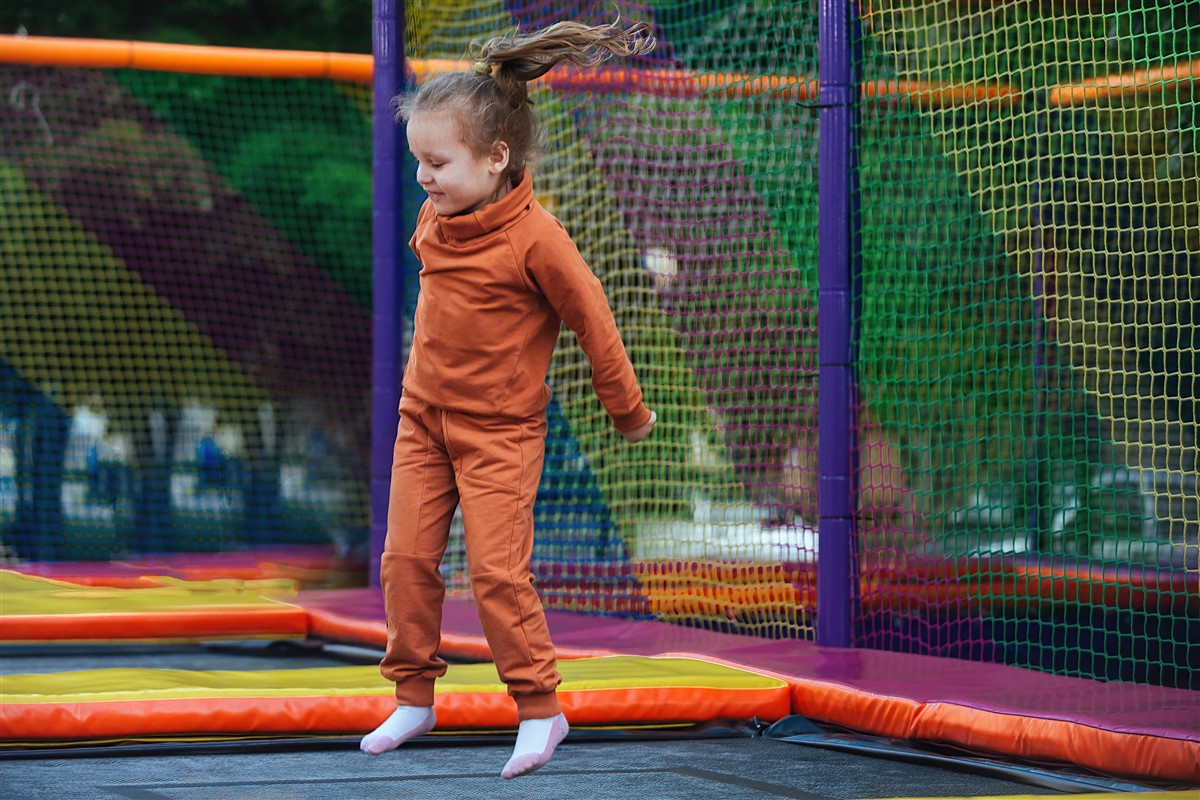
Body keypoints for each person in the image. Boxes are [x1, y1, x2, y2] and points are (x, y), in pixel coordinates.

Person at [359, 19, 657, 780]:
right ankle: (414, 695)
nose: (423, 178)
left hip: (500, 434)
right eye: (418, 161)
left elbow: (593, 319)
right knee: (405, 560)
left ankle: (539, 710)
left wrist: (626, 410)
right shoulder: (436, 217)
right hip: (421, 420)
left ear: (497, 159)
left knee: (496, 574)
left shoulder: (539, 239)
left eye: (438, 162)